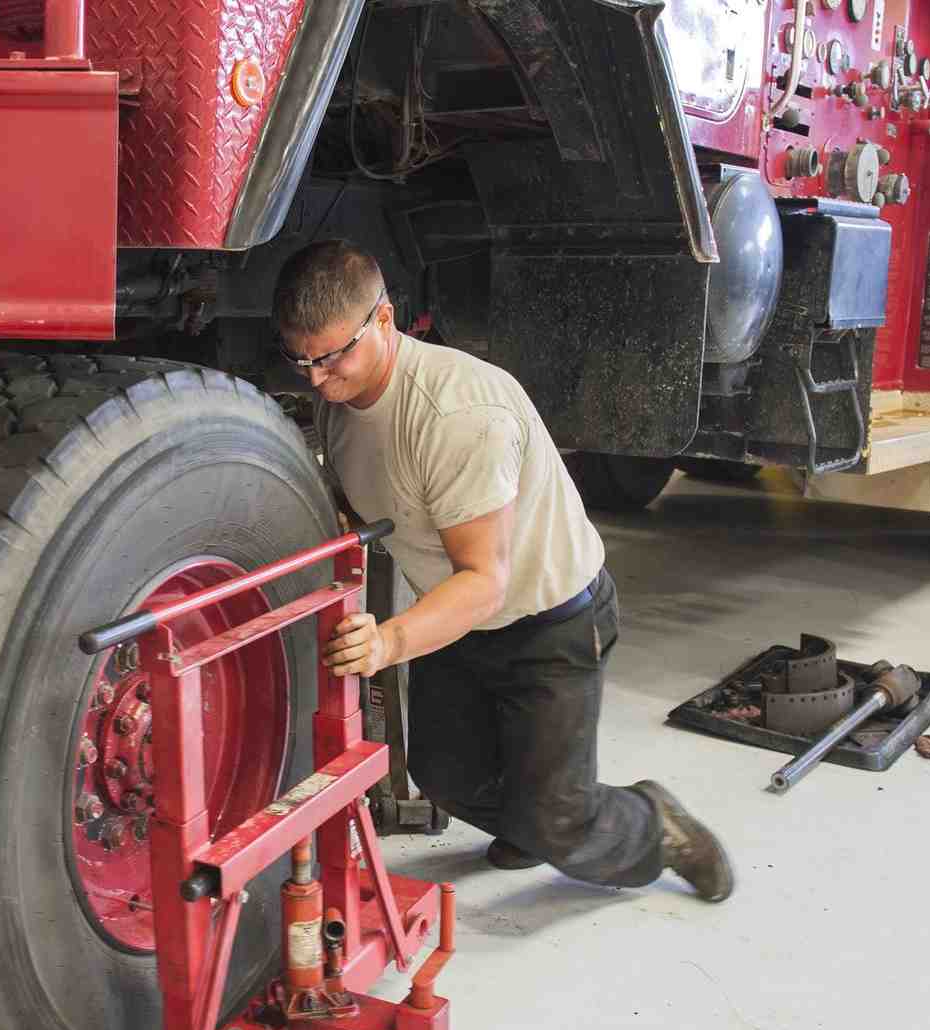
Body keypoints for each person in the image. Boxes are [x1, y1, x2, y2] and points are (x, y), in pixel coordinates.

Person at [274, 239, 733, 901]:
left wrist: (388, 642)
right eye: (301, 359)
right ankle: (532, 814)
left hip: (550, 623)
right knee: (444, 778)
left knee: (563, 825)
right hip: (461, 621)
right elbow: (368, 503)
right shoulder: (339, 400)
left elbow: (484, 581)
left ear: (383, 319)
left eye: (333, 355)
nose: (316, 378)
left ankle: (655, 828)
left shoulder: (458, 415)